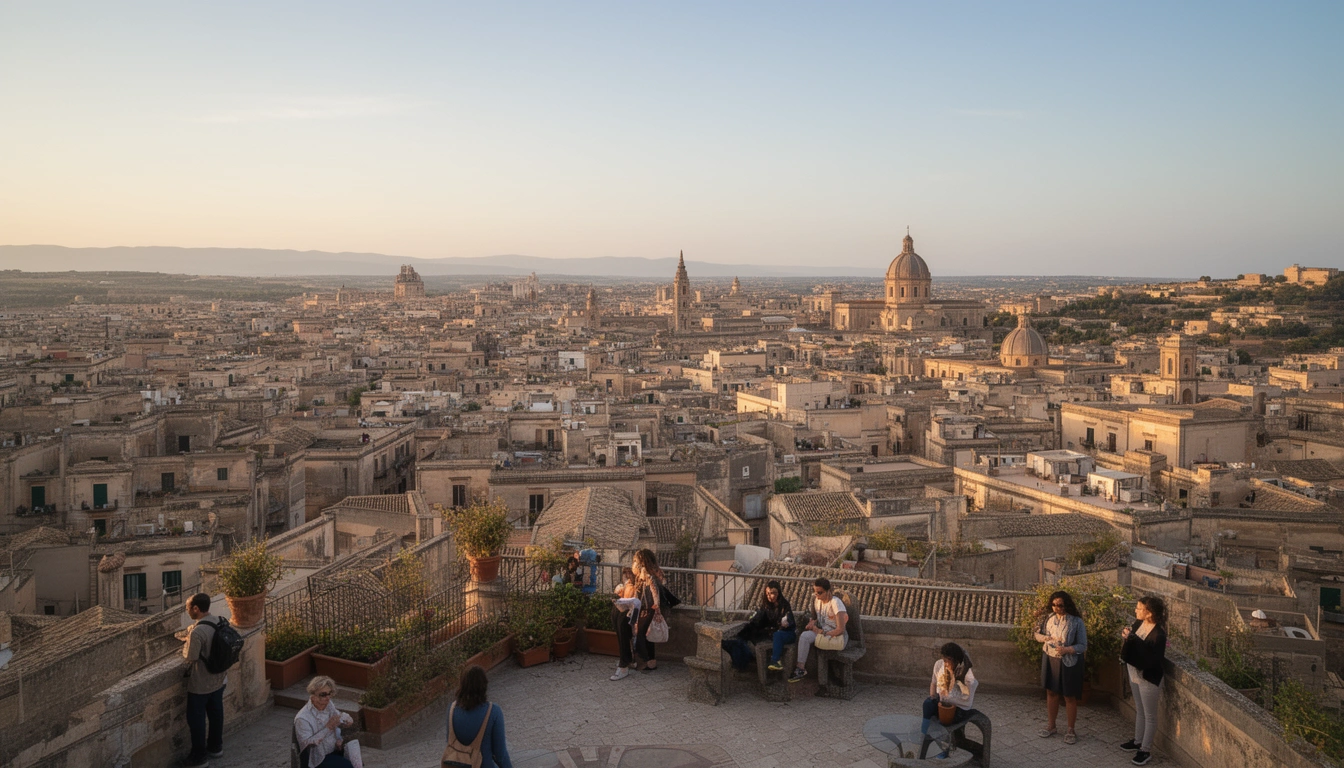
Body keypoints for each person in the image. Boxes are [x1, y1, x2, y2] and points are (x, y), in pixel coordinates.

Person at [1119, 596, 1168, 766]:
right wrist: (1127, 636)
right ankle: (1138, 741)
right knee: (1139, 709)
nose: (1136, 611)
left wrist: (1133, 640)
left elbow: (1152, 658)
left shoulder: (1158, 634)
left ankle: (1145, 750)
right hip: (1134, 673)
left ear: (1149, 613)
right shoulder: (1138, 624)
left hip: (1148, 677)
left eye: (1139, 609)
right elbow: (1133, 643)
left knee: (1150, 715)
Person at [1034, 590, 1087, 744]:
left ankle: (1071, 729)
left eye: (1060, 605)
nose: (1057, 608)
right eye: (1054, 605)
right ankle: (1051, 726)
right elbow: (1037, 634)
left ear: (1067, 605)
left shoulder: (1077, 622)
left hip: (1069, 662)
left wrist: (1068, 649)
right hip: (1050, 658)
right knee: (1051, 692)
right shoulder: (1048, 618)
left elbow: (1083, 645)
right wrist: (1046, 638)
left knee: (1069, 696)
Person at [181, 592, 227, 767]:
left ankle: (199, 757)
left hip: (201, 683)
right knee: (216, 714)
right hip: (219, 678)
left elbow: (191, 657)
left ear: (196, 608)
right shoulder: (220, 621)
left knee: (196, 720)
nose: (187, 612)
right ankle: (216, 747)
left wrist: (186, 644)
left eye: (188, 608)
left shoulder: (198, 631)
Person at [610, 548, 664, 680]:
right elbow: (635, 597)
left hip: (647, 612)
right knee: (616, 613)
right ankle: (626, 659)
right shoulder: (638, 578)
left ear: (641, 564)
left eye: (635, 562)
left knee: (622, 620)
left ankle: (625, 664)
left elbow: (654, 598)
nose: (633, 565)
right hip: (639, 610)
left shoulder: (650, 577)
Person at [446, 665, 512, 768]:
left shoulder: (451, 710)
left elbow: (450, 742)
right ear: (484, 685)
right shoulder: (493, 711)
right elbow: (500, 754)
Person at [922, 643, 979, 757]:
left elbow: (972, 685)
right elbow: (933, 683)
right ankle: (924, 732)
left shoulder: (965, 674)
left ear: (957, 661)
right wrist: (933, 696)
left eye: (949, 660)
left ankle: (943, 751)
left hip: (959, 707)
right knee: (927, 704)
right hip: (942, 700)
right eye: (945, 659)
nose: (946, 662)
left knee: (942, 724)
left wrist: (962, 674)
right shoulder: (939, 665)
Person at [789, 577, 847, 683]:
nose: (817, 595)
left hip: (835, 634)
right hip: (821, 631)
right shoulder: (816, 601)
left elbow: (841, 629)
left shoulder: (836, 603)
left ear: (828, 591)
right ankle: (800, 668)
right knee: (804, 637)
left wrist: (824, 633)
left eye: (820, 593)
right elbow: (816, 618)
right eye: (815, 592)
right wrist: (813, 623)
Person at [294, 676, 354, 768]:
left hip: (333, 749)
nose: (328, 697)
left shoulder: (328, 704)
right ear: (313, 697)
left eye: (329, 693)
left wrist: (345, 720)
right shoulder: (302, 718)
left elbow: (337, 717)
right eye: (323, 694)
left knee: (357, 762)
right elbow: (306, 743)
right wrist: (328, 728)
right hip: (317, 758)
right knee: (347, 766)